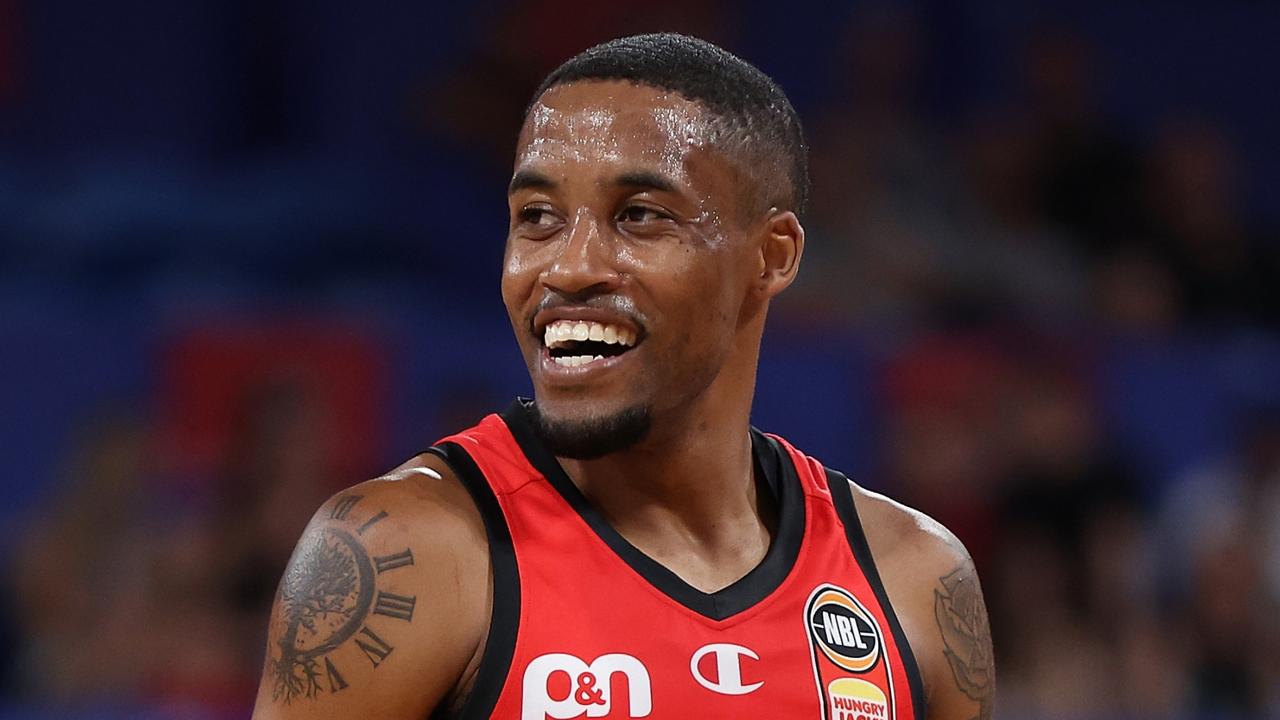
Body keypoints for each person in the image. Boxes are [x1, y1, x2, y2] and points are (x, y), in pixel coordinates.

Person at [251, 33, 994, 720]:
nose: (568, 267)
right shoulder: (407, 557)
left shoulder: (915, 580)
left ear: (772, 256)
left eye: (639, 215)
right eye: (536, 216)